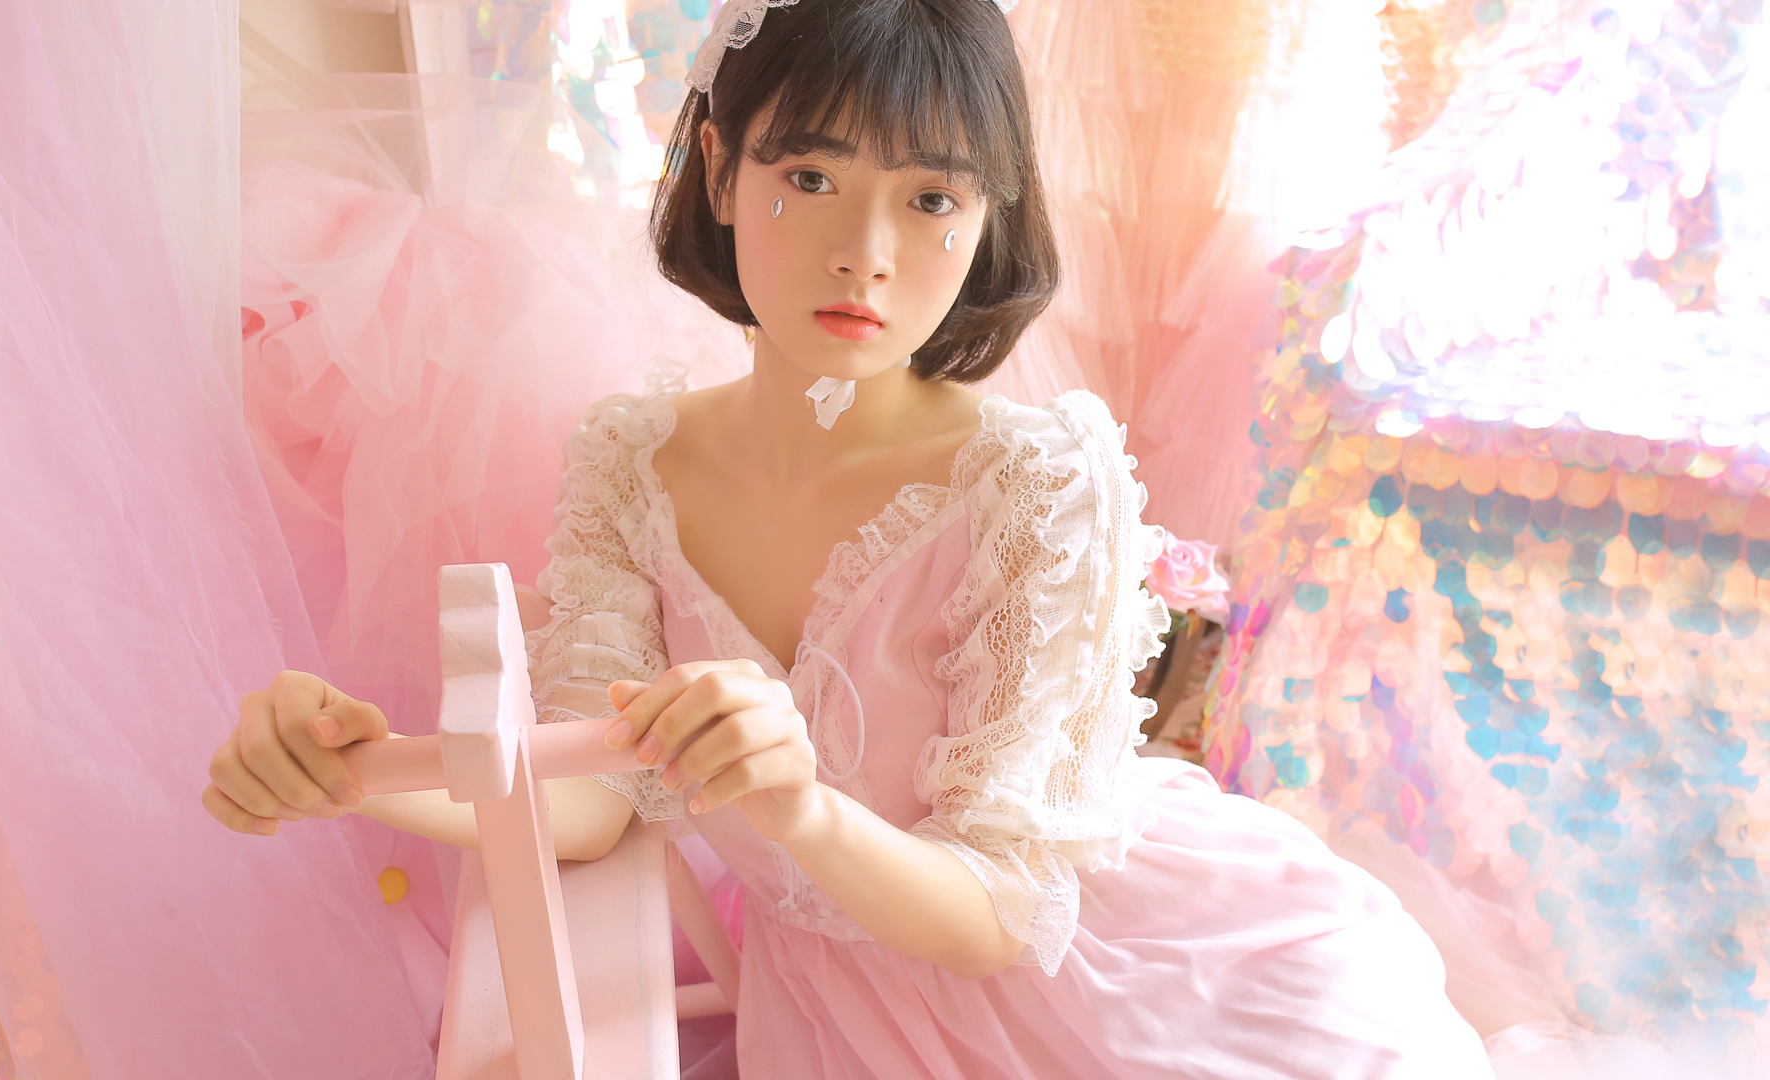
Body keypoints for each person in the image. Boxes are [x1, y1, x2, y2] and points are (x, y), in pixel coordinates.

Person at [203, 1, 1495, 1075]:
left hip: (1119, 987)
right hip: (845, 1016)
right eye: (809, 178)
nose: (865, 256)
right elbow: (589, 800)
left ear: (986, 219)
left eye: (931, 199)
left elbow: (999, 916)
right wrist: (360, 770)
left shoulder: (1036, 482)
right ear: (722, 170)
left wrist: (800, 813)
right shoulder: (631, 461)